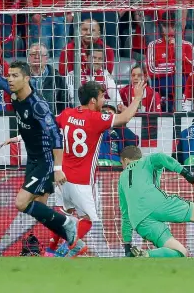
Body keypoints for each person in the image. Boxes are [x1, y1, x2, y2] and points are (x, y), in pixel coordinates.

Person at [0, 34, 83, 256]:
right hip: (34, 157)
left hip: (44, 160)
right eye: (10, 75)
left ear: (26, 79)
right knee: (40, 210)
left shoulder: (38, 106)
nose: (10, 79)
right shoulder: (15, 94)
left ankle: (68, 221)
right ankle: (75, 242)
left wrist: (58, 168)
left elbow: (55, 136)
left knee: (21, 203)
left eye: (15, 76)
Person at [52, 81, 145, 258]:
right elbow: (124, 118)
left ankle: (50, 249)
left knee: (66, 217)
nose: (104, 101)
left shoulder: (67, 113)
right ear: (93, 100)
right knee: (88, 220)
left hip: (62, 176)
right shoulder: (95, 119)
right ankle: (66, 249)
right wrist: (137, 98)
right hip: (82, 180)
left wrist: (19, 137)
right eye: (102, 97)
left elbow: (48, 127)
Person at [118, 146, 194, 258]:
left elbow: (125, 215)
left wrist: (127, 246)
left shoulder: (121, 179)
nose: (123, 166)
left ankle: (146, 254)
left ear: (125, 160)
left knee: (181, 252)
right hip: (157, 203)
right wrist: (185, 173)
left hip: (140, 220)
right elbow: (161, 157)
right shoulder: (146, 160)